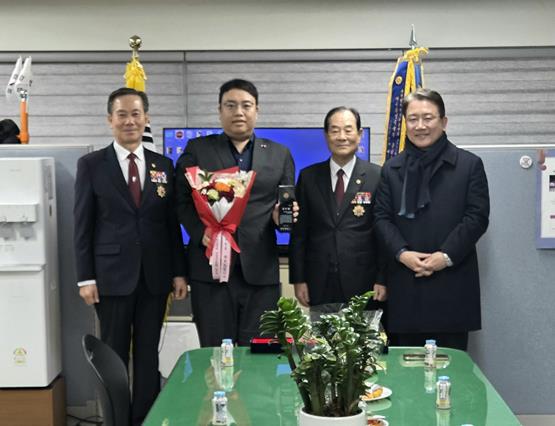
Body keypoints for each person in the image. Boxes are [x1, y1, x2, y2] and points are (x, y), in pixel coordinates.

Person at [73, 87, 187, 425]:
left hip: (155, 277)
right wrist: (85, 277)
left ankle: (145, 418)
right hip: (111, 277)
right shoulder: (92, 165)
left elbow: (171, 225)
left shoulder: (163, 165)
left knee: (149, 353)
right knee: (113, 354)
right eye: (121, 114)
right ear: (110, 120)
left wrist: (178, 272)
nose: (129, 121)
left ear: (146, 118)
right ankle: (116, 420)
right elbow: (83, 225)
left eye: (136, 114)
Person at [175, 78, 295, 347]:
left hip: (260, 274)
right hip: (210, 273)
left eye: (246, 105)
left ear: (257, 110)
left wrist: (282, 219)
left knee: (259, 353)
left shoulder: (280, 154)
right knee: (216, 352)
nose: (238, 112)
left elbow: (284, 206)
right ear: (220, 111)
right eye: (230, 105)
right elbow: (180, 201)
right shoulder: (198, 150)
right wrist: (200, 232)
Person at [373, 88, 490, 351]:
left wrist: (444, 256)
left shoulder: (468, 165)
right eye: (413, 119)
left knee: (451, 368)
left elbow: (477, 217)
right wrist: (402, 253)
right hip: (405, 284)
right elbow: (381, 218)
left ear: (443, 121)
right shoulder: (392, 169)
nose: (420, 126)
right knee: (405, 368)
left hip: (452, 284)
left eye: (428, 118)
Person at [289, 106, 386, 309]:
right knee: (322, 330)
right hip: (319, 281)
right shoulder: (308, 177)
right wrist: (298, 279)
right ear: (326, 135)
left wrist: (383, 278)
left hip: (365, 282)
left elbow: (383, 233)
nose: (342, 137)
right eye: (335, 130)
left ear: (359, 134)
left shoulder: (377, 176)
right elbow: (299, 234)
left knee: (364, 331)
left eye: (348, 130)